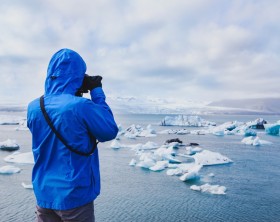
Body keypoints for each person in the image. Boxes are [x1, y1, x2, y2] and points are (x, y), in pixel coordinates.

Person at [27, 48, 118, 222]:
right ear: (77, 76)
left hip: (44, 193)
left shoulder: (33, 107)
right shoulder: (80, 106)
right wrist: (96, 91)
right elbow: (109, 130)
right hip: (74, 195)